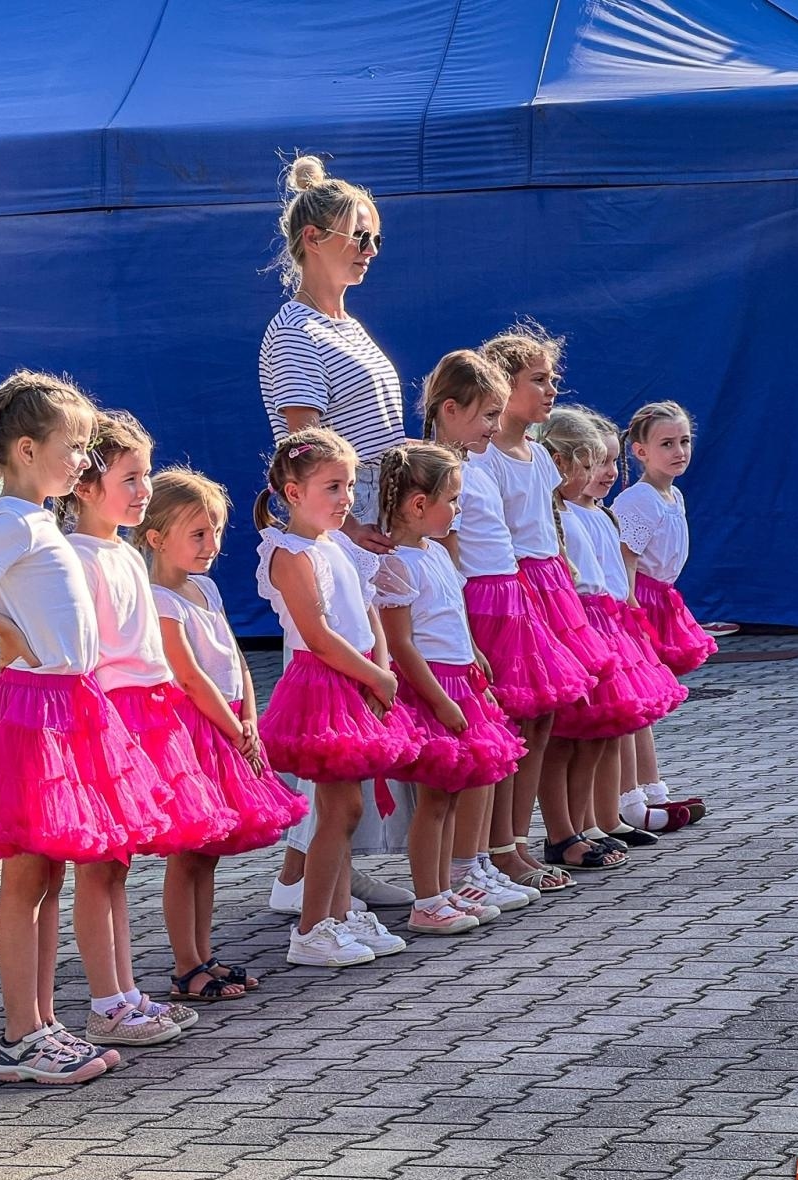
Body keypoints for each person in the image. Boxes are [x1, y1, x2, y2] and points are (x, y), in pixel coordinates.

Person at [0, 371, 172, 1085]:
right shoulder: (14, 522)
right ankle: (21, 1037)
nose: (83, 460)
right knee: (26, 882)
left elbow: (16, 596)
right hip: (34, 715)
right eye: (74, 446)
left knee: (48, 877)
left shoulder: (35, 522)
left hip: (67, 705)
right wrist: (6, 631)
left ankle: (44, 1025)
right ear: (26, 449)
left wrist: (11, 627)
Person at [258, 153, 414, 913]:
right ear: (314, 237)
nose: (368, 249)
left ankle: (309, 874)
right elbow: (306, 444)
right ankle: (309, 880)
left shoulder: (344, 324)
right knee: (332, 699)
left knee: (357, 704)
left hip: (367, 533)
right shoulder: (293, 333)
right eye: (358, 235)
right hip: (335, 539)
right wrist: (348, 522)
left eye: (375, 238)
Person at [63, 410, 238, 1047]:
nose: (143, 490)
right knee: (98, 865)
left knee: (117, 867)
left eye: (144, 477)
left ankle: (127, 992)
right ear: (85, 484)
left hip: (146, 717)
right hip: (105, 719)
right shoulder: (74, 555)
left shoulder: (123, 555)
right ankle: (108, 1000)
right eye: (130, 477)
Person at [134, 467, 307, 999]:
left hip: (230, 724)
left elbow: (234, 659)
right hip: (196, 732)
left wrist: (251, 717)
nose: (211, 545)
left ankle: (204, 953)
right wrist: (234, 728)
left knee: (207, 852)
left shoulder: (205, 587)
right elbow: (188, 675)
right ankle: (186, 965)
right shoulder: (160, 601)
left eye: (214, 532)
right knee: (187, 852)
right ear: (156, 538)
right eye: (198, 534)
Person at [254, 428, 421, 967]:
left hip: (356, 680)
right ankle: (312, 928)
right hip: (322, 686)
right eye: (332, 487)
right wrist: (375, 678)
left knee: (345, 810)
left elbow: (368, 608)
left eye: (348, 486)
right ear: (293, 491)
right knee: (339, 809)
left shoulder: (338, 545)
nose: (345, 498)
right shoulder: (288, 552)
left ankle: (340, 913)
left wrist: (382, 666)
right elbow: (319, 633)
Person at [422, 349, 572, 897]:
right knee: (500, 727)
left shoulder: (473, 460)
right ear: (452, 408)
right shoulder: (449, 466)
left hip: (511, 593)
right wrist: (462, 625)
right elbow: (451, 554)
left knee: (533, 721)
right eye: (488, 413)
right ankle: (483, 854)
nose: (494, 423)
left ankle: (508, 843)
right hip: (481, 604)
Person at [373, 440, 526, 934]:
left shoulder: (436, 553)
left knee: (454, 793)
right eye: (453, 500)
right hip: (433, 689)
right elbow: (402, 644)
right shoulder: (397, 564)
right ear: (420, 505)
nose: (458, 510)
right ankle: (427, 899)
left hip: (460, 680)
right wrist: (439, 701)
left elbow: (450, 615)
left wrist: (475, 657)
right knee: (435, 798)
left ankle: (446, 889)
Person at [473, 326, 609, 877]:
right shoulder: (484, 459)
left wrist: (560, 557)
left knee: (545, 718)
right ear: (503, 386)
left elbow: (543, 520)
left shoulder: (538, 454)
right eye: (539, 379)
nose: (551, 389)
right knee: (514, 717)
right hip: (511, 592)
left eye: (551, 377)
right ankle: (498, 845)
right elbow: (485, 535)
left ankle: (520, 838)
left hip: (549, 586)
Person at [540, 407, 680, 864]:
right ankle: (564, 831)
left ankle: (595, 821)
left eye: (610, 463)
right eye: (593, 463)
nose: (605, 473)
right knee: (570, 737)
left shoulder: (599, 514)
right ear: (561, 464)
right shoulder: (560, 515)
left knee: (603, 733)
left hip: (609, 624)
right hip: (580, 625)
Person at [613, 400, 715, 830]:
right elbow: (625, 557)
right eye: (667, 444)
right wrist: (632, 605)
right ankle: (632, 797)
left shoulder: (672, 494)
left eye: (684, 441)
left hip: (662, 598)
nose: (679, 451)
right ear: (640, 452)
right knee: (638, 700)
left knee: (649, 702)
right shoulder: (638, 500)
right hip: (641, 603)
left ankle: (654, 791)